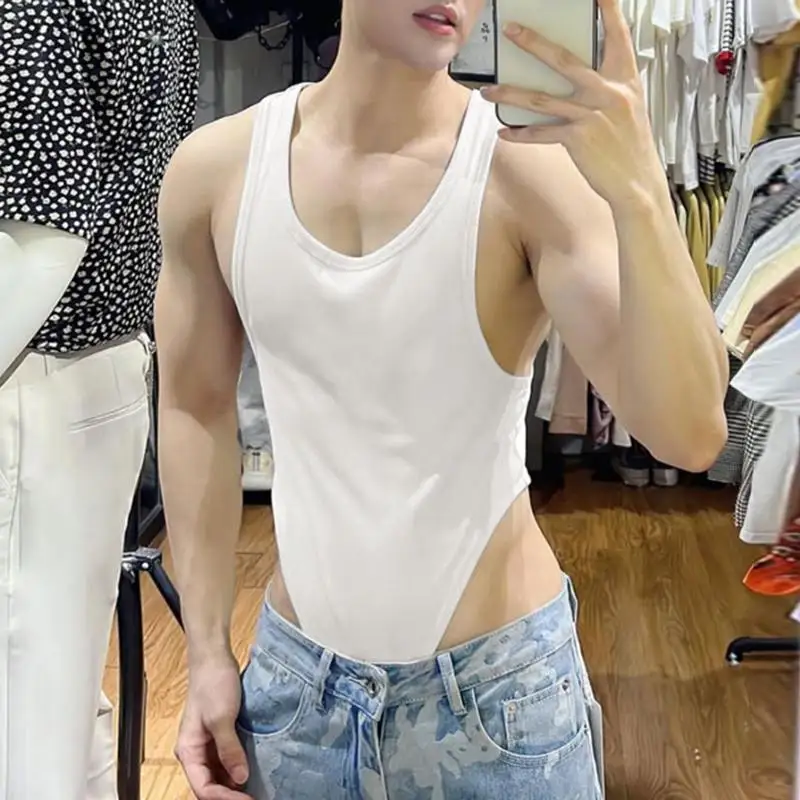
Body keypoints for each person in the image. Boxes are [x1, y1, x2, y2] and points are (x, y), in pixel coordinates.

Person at [155, 0, 728, 797]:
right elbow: (193, 406)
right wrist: (207, 650)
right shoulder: (215, 171)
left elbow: (691, 434)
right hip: (296, 700)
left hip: (497, 702)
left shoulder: (527, 174)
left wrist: (637, 189)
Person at [0, 2, 197, 798]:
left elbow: (44, 223)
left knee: (25, 704)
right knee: (55, 692)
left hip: (33, 367)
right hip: (97, 361)